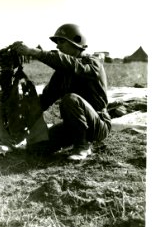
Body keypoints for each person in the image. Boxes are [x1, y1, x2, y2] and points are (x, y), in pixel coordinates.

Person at [11, 24, 111, 161]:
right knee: (35, 147)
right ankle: (76, 140)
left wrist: (35, 52)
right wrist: (20, 119)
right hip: (74, 125)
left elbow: (71, 64)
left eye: (61, 42)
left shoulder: (92, 64)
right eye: (57, 43)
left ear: (76, 44)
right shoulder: (62, 74)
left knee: (70, 99)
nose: (58, 46)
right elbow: (45, 100)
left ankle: (82, 146)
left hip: (98, 125)